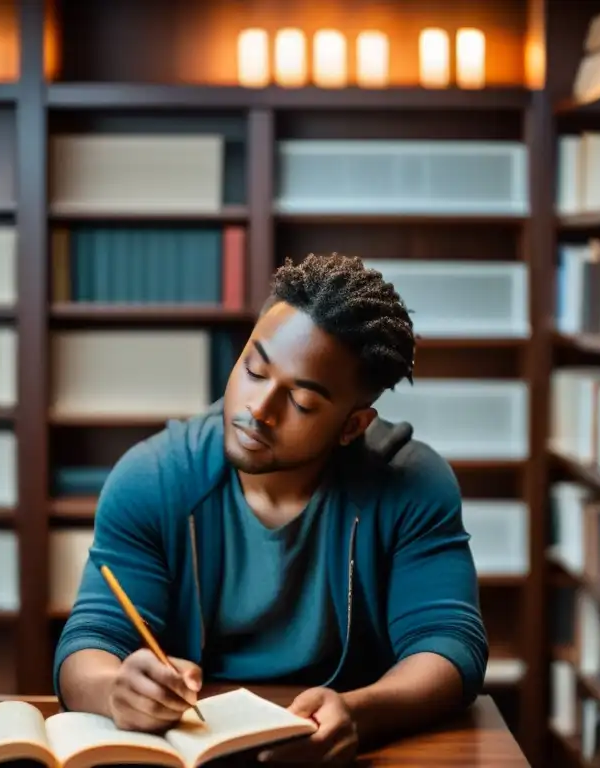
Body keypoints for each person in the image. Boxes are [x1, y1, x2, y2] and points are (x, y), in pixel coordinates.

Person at [53, 253, 489, 763]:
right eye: (254, 369)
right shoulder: (155, 478)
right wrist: (115, 690)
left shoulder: (411, 484)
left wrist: (362, 712)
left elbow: (449, 645)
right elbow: (88, 642)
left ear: (352, 426)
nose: (258, 410)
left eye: (301, 403)